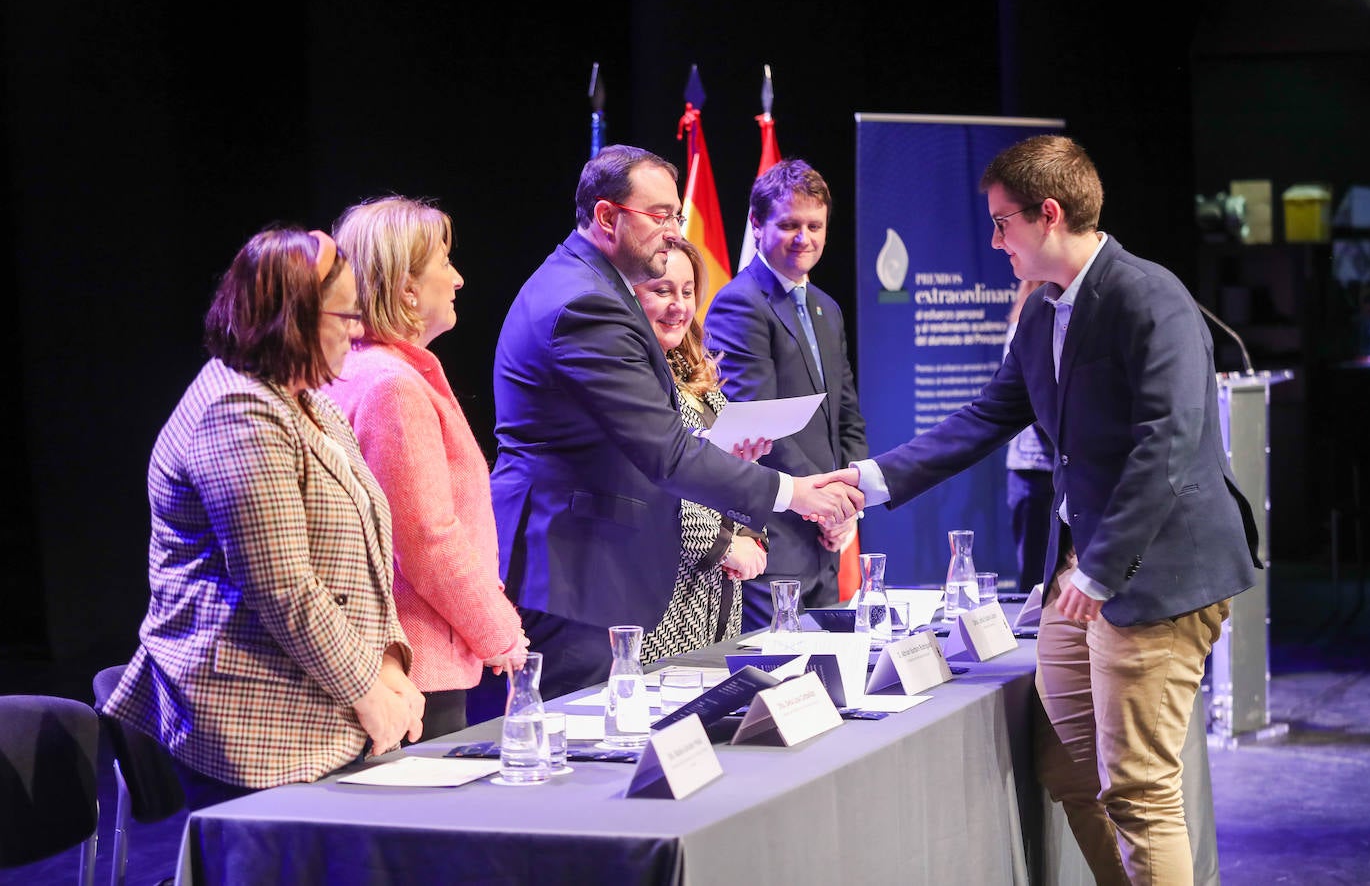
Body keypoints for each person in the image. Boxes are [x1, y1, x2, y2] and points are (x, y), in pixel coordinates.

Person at [850, 135, 1260, 884]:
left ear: (1048, 215)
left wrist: (1099, 570)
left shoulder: (1149, 295)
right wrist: (869, 482)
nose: (996, 240)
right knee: (1070, 773)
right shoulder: (1042, 314)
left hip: (1155, 578)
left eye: (1003, 223)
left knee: (1138, 792)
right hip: (1089, 573)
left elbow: (1168, 444)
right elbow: (983, 417)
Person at [490, 144, 862, 698]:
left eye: (676, 216)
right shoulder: (585, 304)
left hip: (593, 569)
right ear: (607, 217)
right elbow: (666, 449)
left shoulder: (593, 287)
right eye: (660, 215)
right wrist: (795, 493)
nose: (672, 230)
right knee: (582, 759)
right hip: (575, 571)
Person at [103, 227, 425, 809]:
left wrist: (389, 662)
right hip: (261, 728)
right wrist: (368, 692)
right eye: (345, 316)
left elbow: (371, 549)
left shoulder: (307, 400)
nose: (356, 333)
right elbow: (281, 587)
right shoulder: (238, 412)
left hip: (324, 709)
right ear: (293, 317)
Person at [322, 197, 529, 739]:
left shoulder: (363, 370)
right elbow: (424, 538)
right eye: (444, 262)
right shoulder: (392, 386)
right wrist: (500, 631)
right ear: (407, 287)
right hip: (418, 665)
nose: (458, 278)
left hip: (402, 661)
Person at [705, 159, 869, 628]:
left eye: (815, 225)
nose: (805, 238)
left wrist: (850, 501)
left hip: (826, 538)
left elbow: (847, 415)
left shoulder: (826, 308)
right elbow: (760, 420)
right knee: (776, 686)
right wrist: (827, 505)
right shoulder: (740, 304)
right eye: (789, 224)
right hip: (774, 538)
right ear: (756, 225)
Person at [633, 240, 769, 663]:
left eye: (687, 292)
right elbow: (655, 484)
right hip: (666, 599)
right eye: (662, 290)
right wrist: (725, 546)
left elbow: (725, 472)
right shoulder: (633, 379)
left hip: (718, 595)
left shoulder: (694, 373)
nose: (678, 306)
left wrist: (751, 534)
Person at [1004, 278, 1055, 592]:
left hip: (1064, 468)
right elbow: (1030, 399)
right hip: (1032, 468)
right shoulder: (1025, 323)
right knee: (1035, 572)